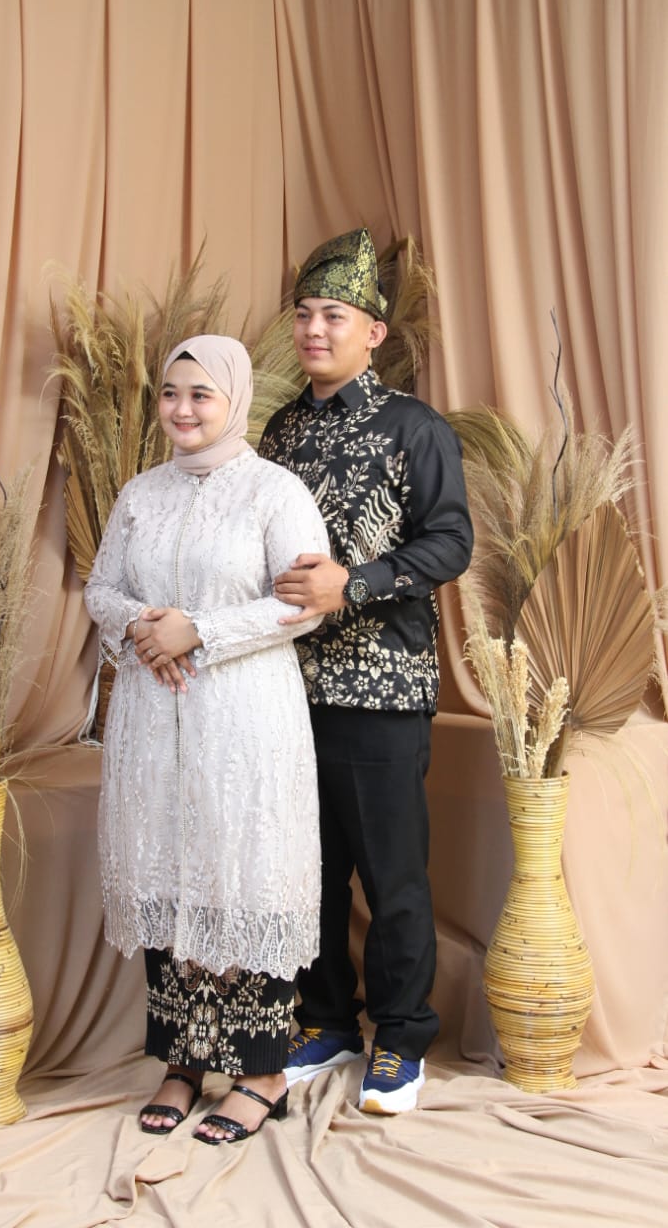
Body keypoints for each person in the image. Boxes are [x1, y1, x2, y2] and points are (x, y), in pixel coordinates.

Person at [84, 334, 330, 1145]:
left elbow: (301, 603)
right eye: (169, 393)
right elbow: (101, 588)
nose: (181, 410)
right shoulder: (140, 493)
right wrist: (143, 624)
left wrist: (199, 631)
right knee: (168, 868)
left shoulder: (274, 492)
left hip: (244, 720)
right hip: (152, 715)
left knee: (242, 871)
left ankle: (260, 1073)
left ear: (235, 400)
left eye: (200, 395)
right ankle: (183, 1061)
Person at [258, 228, 473, 1115]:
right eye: (304, 314)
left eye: (334, 316)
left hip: (379, 687)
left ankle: (402, 1036)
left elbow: (450, 541)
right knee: (307, 870)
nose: (314, 329)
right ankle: (326, 1021)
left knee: (391, 876)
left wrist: (355, 583)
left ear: (373, 333)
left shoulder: (414, 427)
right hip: (281, 687)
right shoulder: (279, 428)